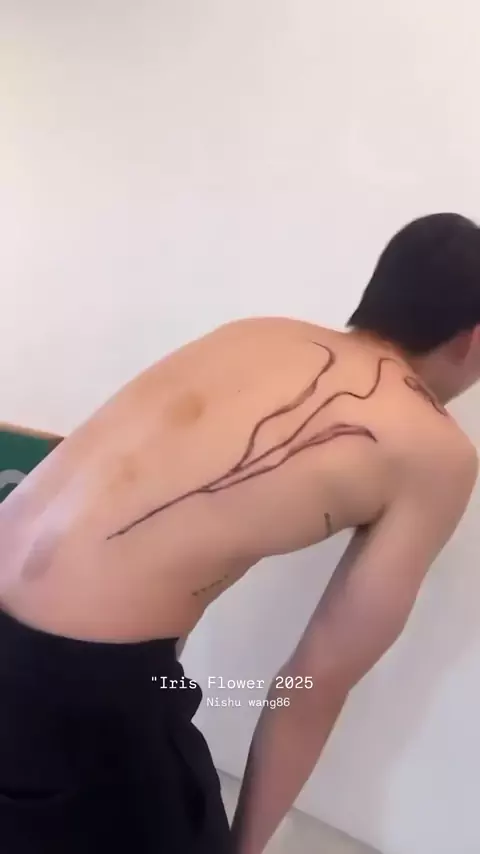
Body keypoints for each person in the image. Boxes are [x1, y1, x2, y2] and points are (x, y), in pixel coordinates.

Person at [0, 212, 479, 854]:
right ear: (472, 339)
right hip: (82, 690)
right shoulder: (436, 452)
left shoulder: (253, 334)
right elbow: (313, 686)